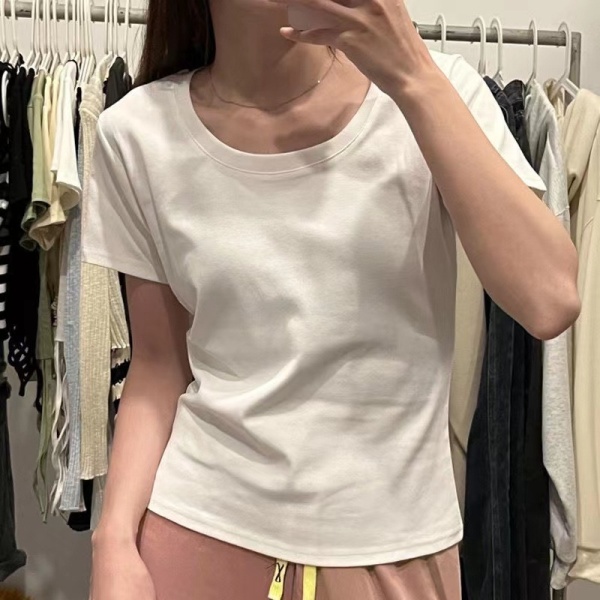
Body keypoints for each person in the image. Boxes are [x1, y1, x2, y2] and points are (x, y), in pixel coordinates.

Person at [83, 0, 581, 598]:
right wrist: (112, 539)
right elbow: (159, 367)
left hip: (395, 550)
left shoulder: (437, 92)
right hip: (196, 534)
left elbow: (550, 299)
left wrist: (411, 75)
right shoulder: (137, 132)